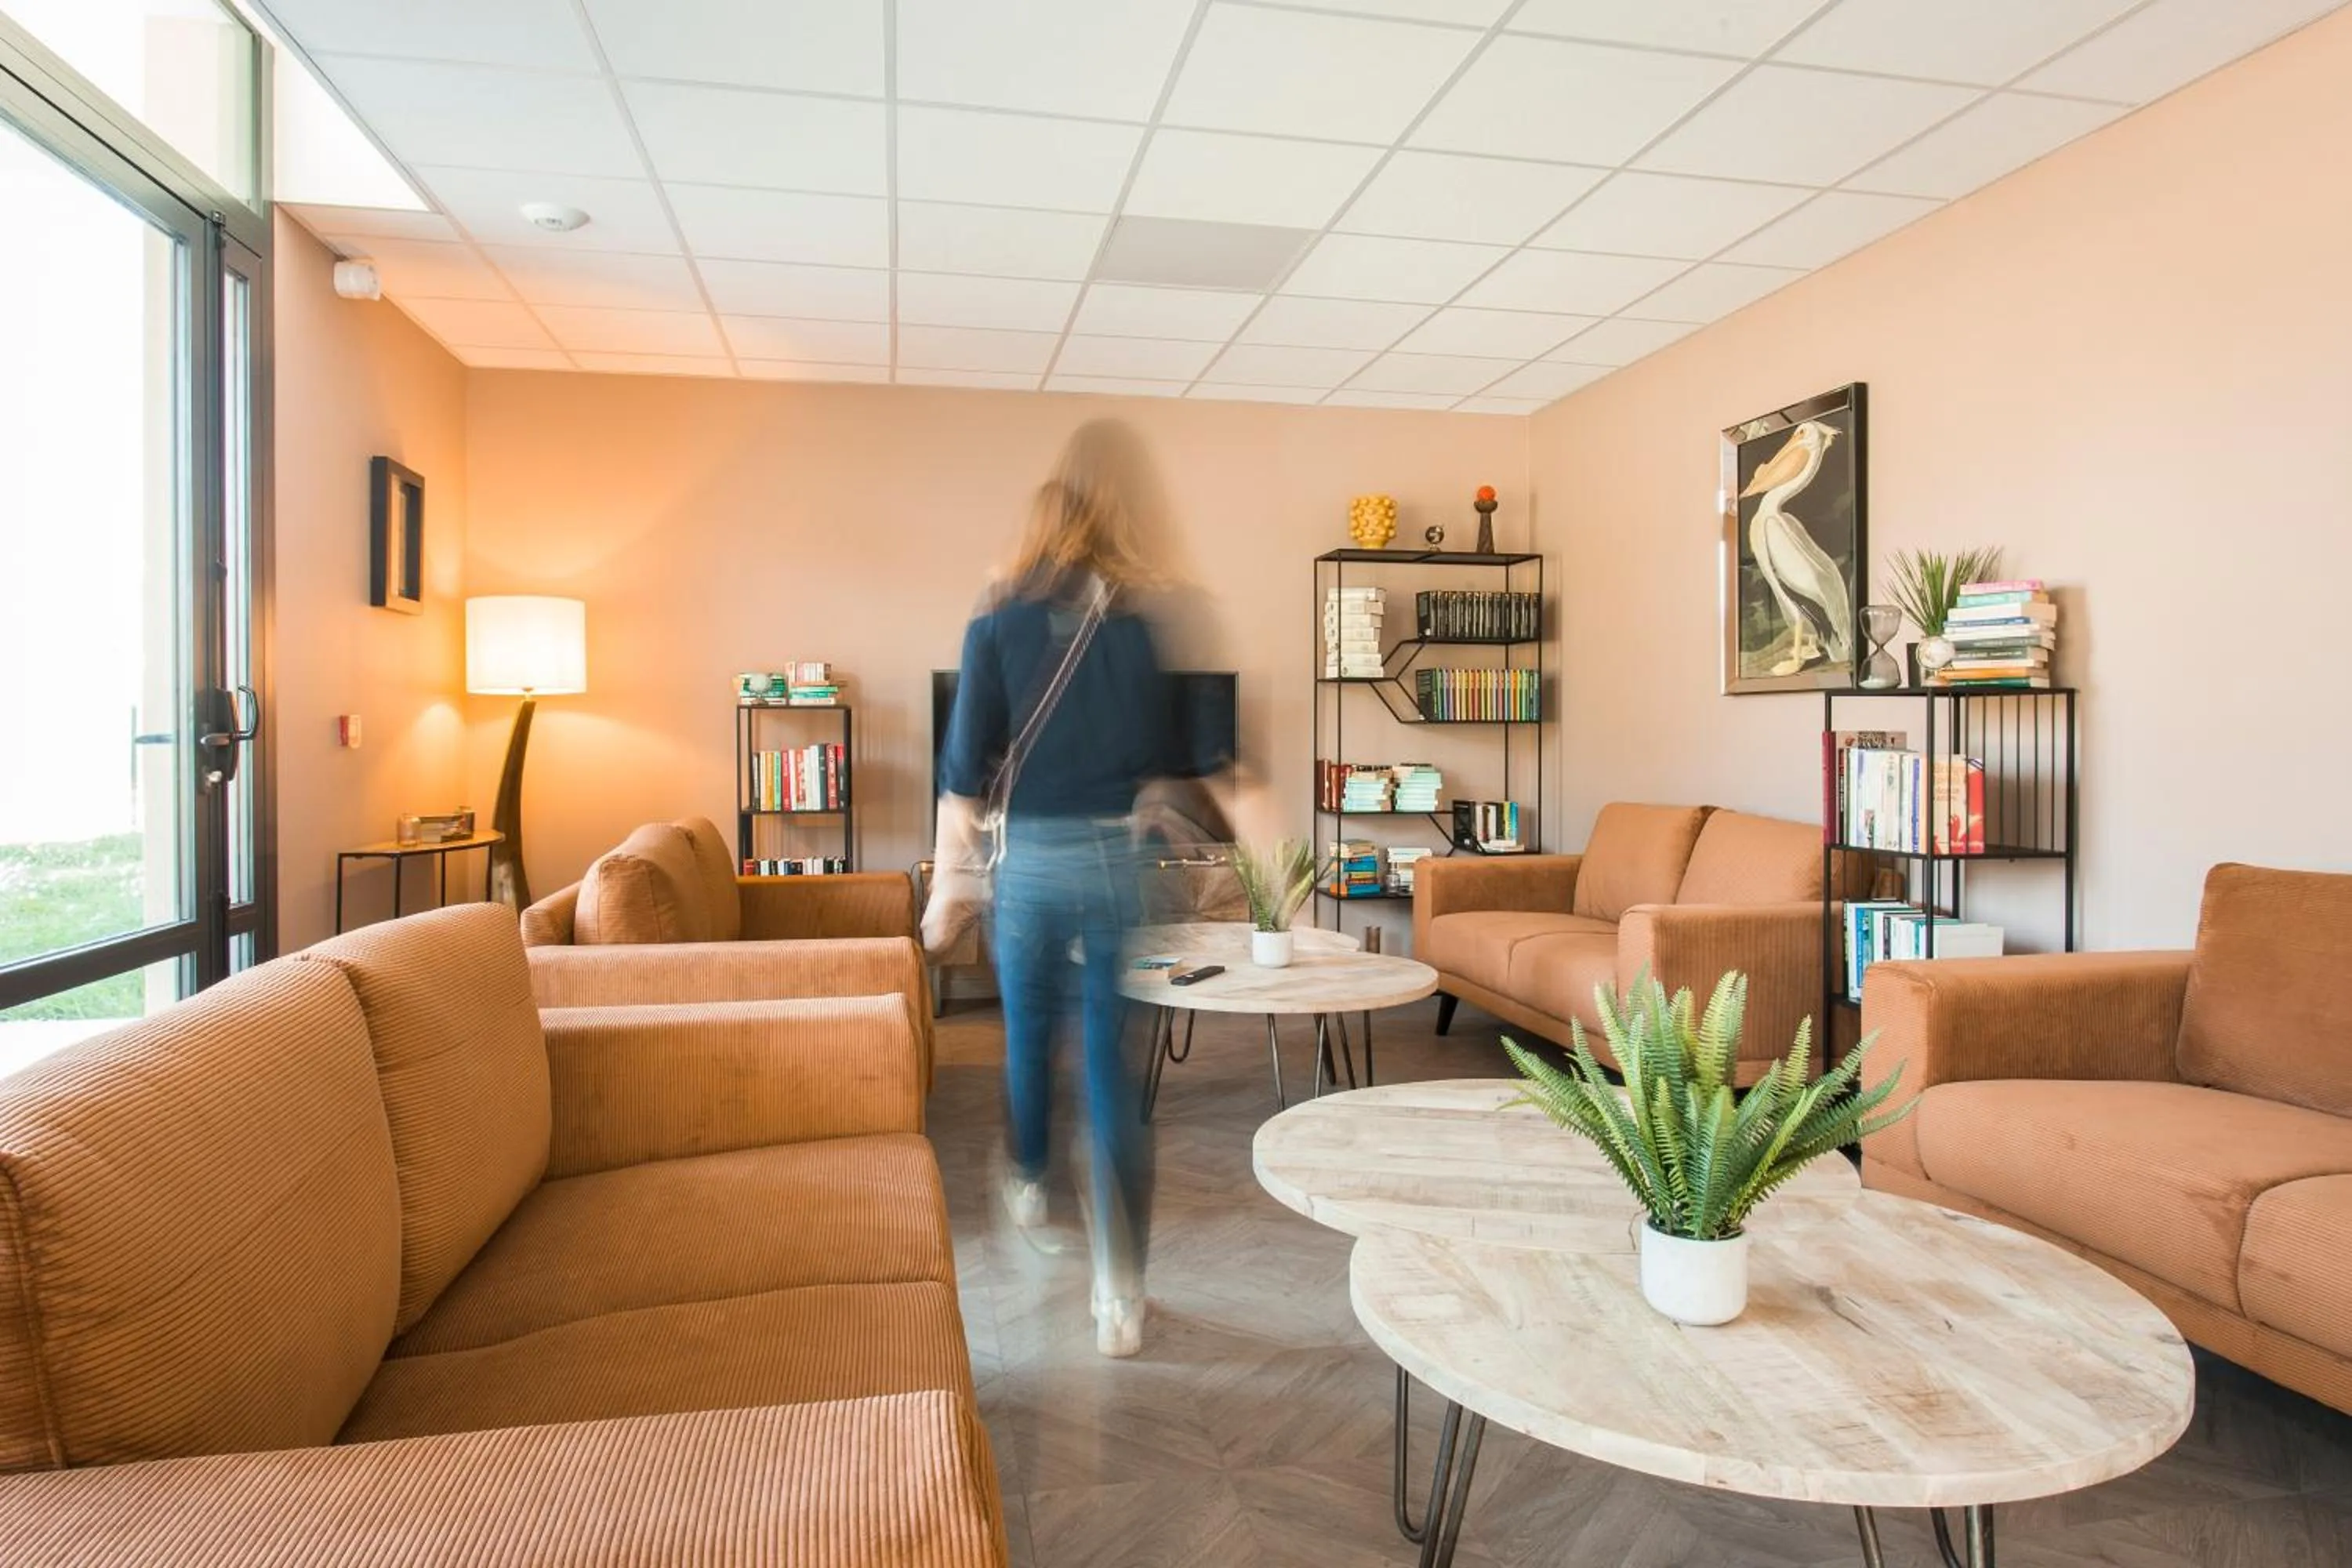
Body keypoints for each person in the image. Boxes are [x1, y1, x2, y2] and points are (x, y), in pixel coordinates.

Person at [929, 420, 1174, 1358]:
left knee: (1028, 1036)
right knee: (1111, 1067)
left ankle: (1031, 1176)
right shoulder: (1138, 627)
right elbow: (1157, 770)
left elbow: (962, 780)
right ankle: (1122, 1296)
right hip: (1117, 862)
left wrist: (946, 891)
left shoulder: (994, 623)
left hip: (1028, 862)